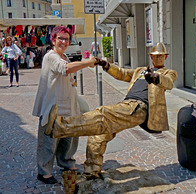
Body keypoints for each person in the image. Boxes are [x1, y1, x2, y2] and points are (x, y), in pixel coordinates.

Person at [45, 42, 178, 179]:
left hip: (139, 107)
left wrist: (156, 78)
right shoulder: (140, 70)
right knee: (98, 134)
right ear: (151, 56)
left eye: (161, 56)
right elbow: (122, 73)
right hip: (127, 104)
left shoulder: (168, 72)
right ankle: (91, 173)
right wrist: (106, 65)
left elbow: (169, 82)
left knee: (104, 114)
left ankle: (60, 126)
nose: (158, 59)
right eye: (156, 56)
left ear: (166, 57)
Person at [32, 26, 97, 184]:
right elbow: (65, 69)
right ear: (53, 40)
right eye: (60, 38)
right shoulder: (51, 56)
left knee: (68, 138)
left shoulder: (65, 56)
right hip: (53, 107)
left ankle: (66, 162)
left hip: (68, 105)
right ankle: (44, 172)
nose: (64, 41)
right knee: (49, 140)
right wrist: (87, 62)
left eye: (66, 39)